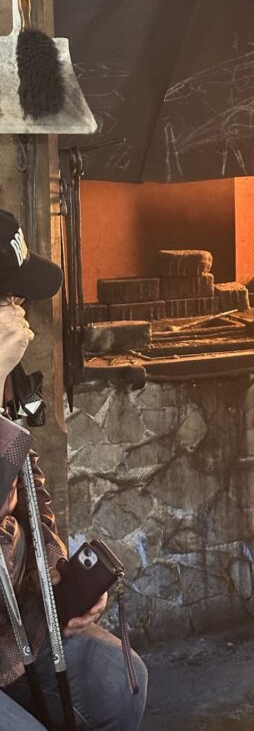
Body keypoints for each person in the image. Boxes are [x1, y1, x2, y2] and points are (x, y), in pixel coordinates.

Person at [0, 209, 147, 730]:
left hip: (18, 617)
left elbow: (30, 481)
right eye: (9, 298)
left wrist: (54, 577)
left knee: (120, 679)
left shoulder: (12, 380)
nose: (22, 312)